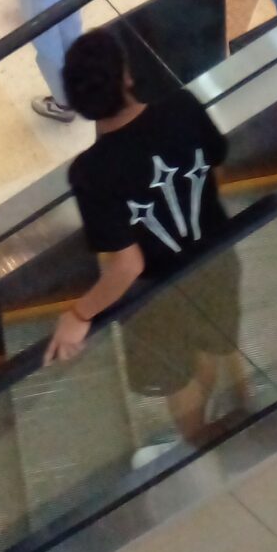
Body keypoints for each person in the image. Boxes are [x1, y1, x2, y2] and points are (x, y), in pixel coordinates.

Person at [46, 30, 243, 459]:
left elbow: (126, 266)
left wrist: (79, 315)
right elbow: (216, 162)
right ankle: (222, 423)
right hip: (217, 261)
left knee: (175, 374)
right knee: (212, 342)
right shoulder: (182, 107)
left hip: (158, 297)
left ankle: (197, 440)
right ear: (128, 78)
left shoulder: (91, 172)